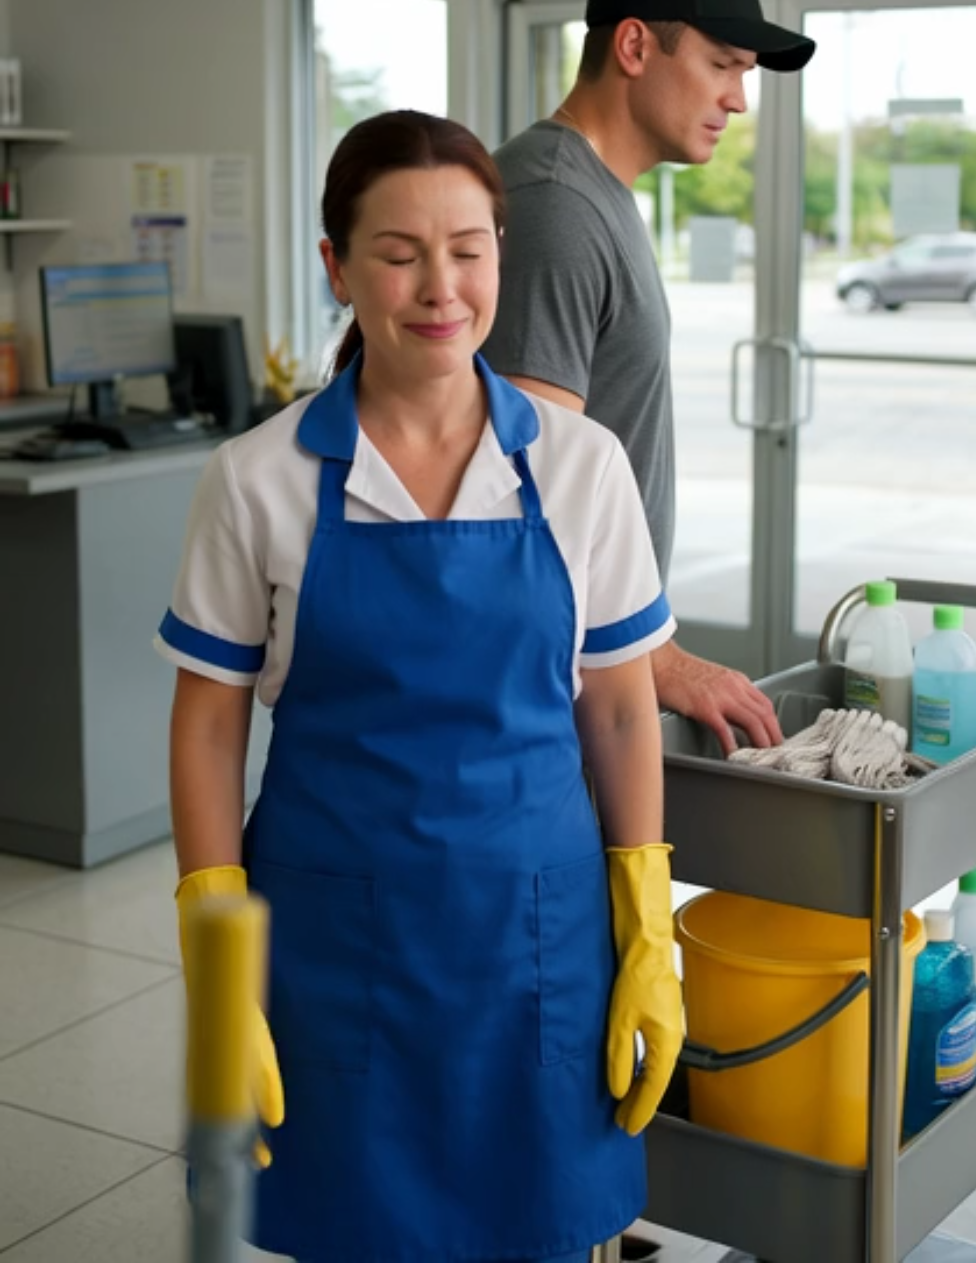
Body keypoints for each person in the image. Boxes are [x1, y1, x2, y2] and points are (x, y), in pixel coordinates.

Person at [157, 110, 684, 1263]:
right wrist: (215, 955)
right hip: (331, 947)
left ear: (502, 250)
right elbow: (206, 730)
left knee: (538, 1230)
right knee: (347, 1230)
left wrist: (649, 927)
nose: (439, 286)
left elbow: (619, 704)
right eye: (398, 254)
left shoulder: (577, 466)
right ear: (337, 266)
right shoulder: (259, 480)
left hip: (534, 945)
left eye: (469, 248)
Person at [484, 0, 816, 757]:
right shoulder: (554, 203)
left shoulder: (595, 191)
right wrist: (654, 653)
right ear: (635, 45)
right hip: (546, 677)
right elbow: (533, 487)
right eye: (723, 64)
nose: (739, 98)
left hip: (591, 656)